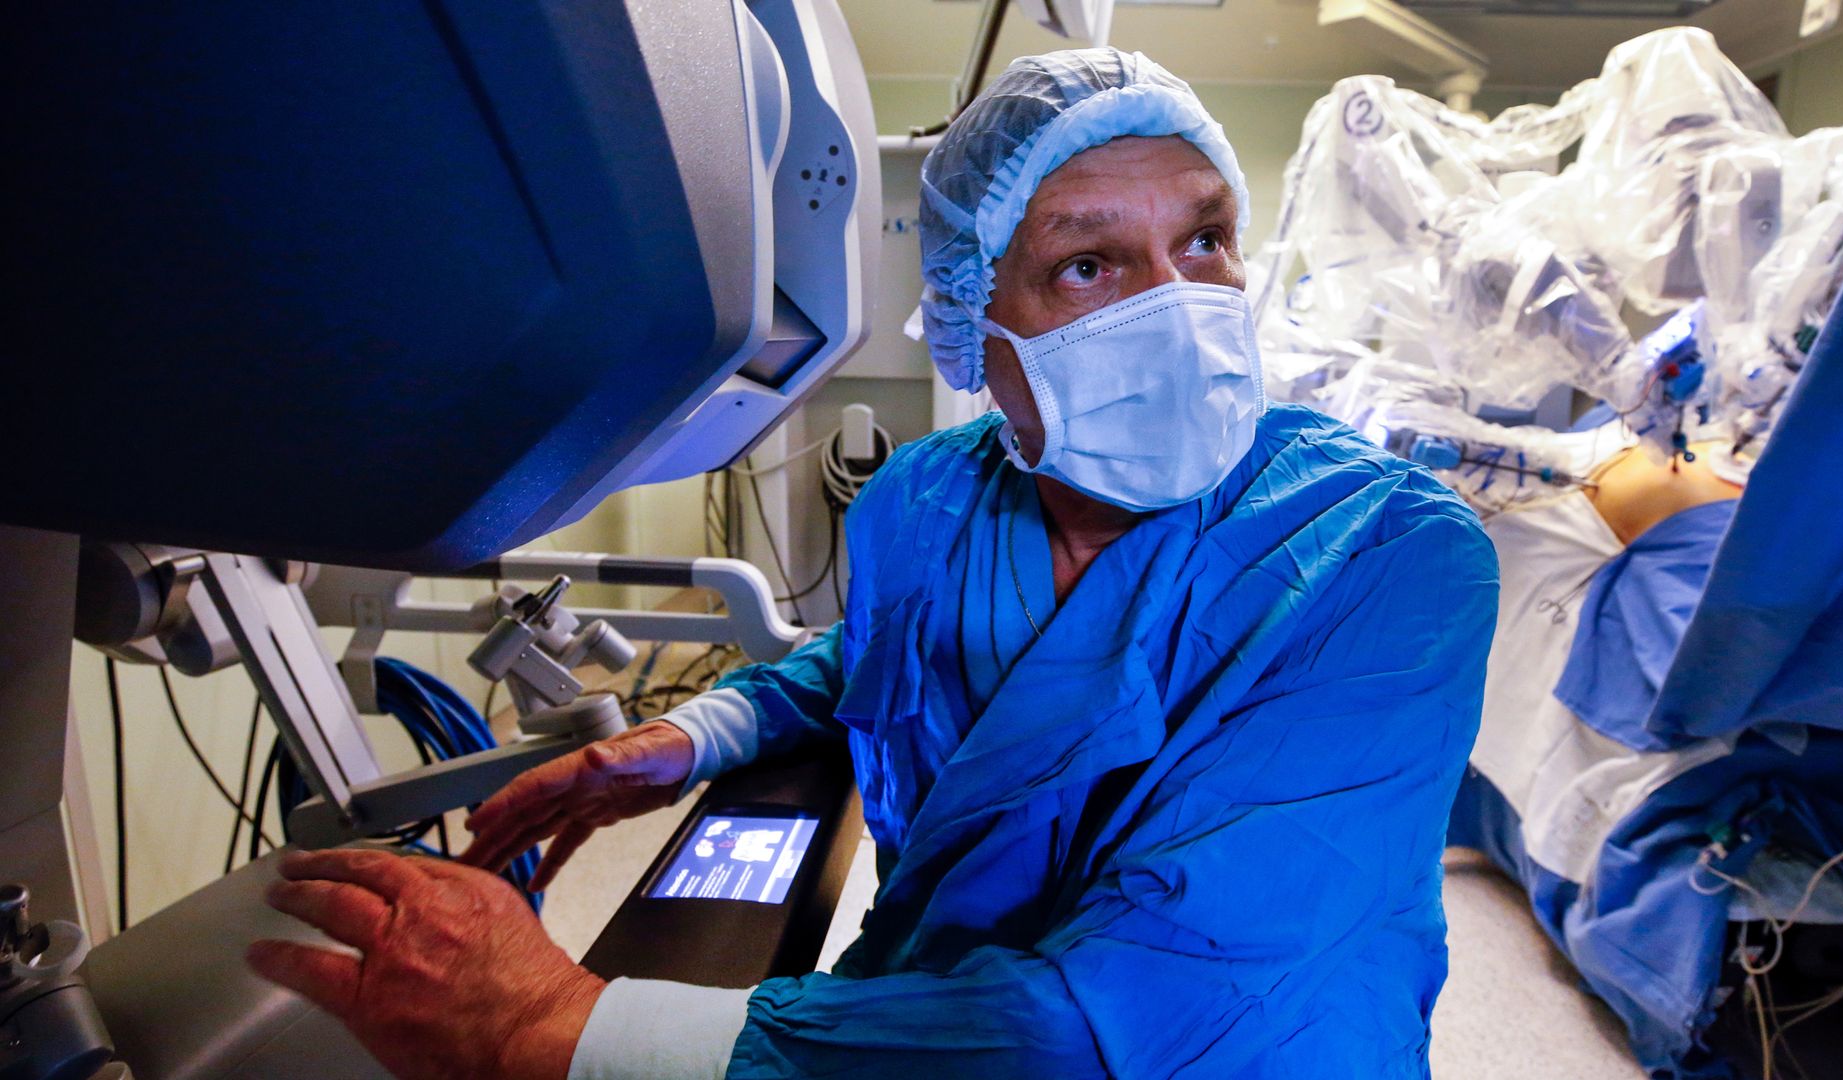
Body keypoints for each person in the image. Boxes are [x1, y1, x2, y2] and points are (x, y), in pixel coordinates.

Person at [248, 48, 1499, 1079]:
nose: (1179, 303)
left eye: (1207, 239)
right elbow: (902, 648)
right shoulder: (928, 498)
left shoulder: (1387, 556)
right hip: (910, 1014)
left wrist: (553, 1027)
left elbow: (1138, 1020)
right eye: (1089, 263)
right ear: (972, 318)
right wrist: (700, 733)